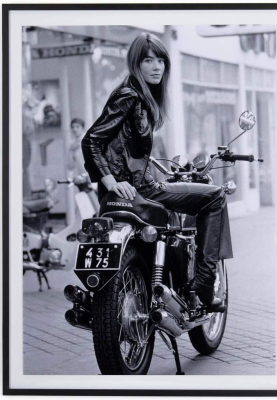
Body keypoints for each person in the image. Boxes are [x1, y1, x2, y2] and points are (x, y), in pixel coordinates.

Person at [81, 32, 233, 307]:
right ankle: (204, 282)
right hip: (140, 189)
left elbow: (123, 146)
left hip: (134, 185)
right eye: (148, 60)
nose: (156, 67)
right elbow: (92, 139)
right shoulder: (130, 95)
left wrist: (135, 165)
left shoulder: (137, 96)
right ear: (135, 64)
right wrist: (110, 180)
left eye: (160, 60)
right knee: (216, 196)